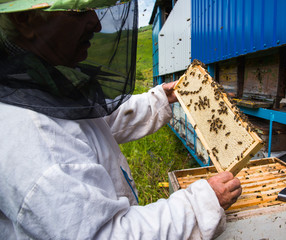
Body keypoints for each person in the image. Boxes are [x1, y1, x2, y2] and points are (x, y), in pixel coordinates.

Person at [0, 0, 242, 239]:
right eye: (79, 11)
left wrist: (161, 98)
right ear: (25, 20)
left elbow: (96, 123)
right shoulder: (34, 140)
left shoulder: (35, 86)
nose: (95, 23)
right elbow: (106, 234)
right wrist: (203, 204)